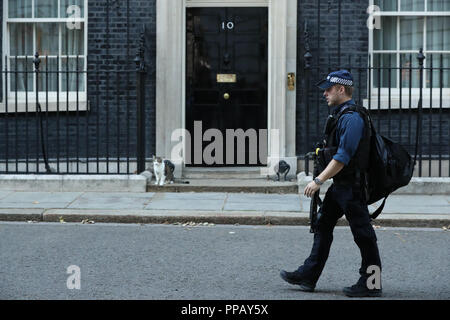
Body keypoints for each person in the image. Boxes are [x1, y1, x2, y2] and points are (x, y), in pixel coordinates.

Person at [280, 70, 382, 297]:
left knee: (363, 234)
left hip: (352, 187)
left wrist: (318, 180)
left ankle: (372, 283)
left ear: (341, 89)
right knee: (323, 224)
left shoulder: (352, 118)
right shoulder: (341, 115)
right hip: (341, 186)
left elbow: (343, 156)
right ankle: (309, 275)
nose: (324, 93)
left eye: (328, 89)